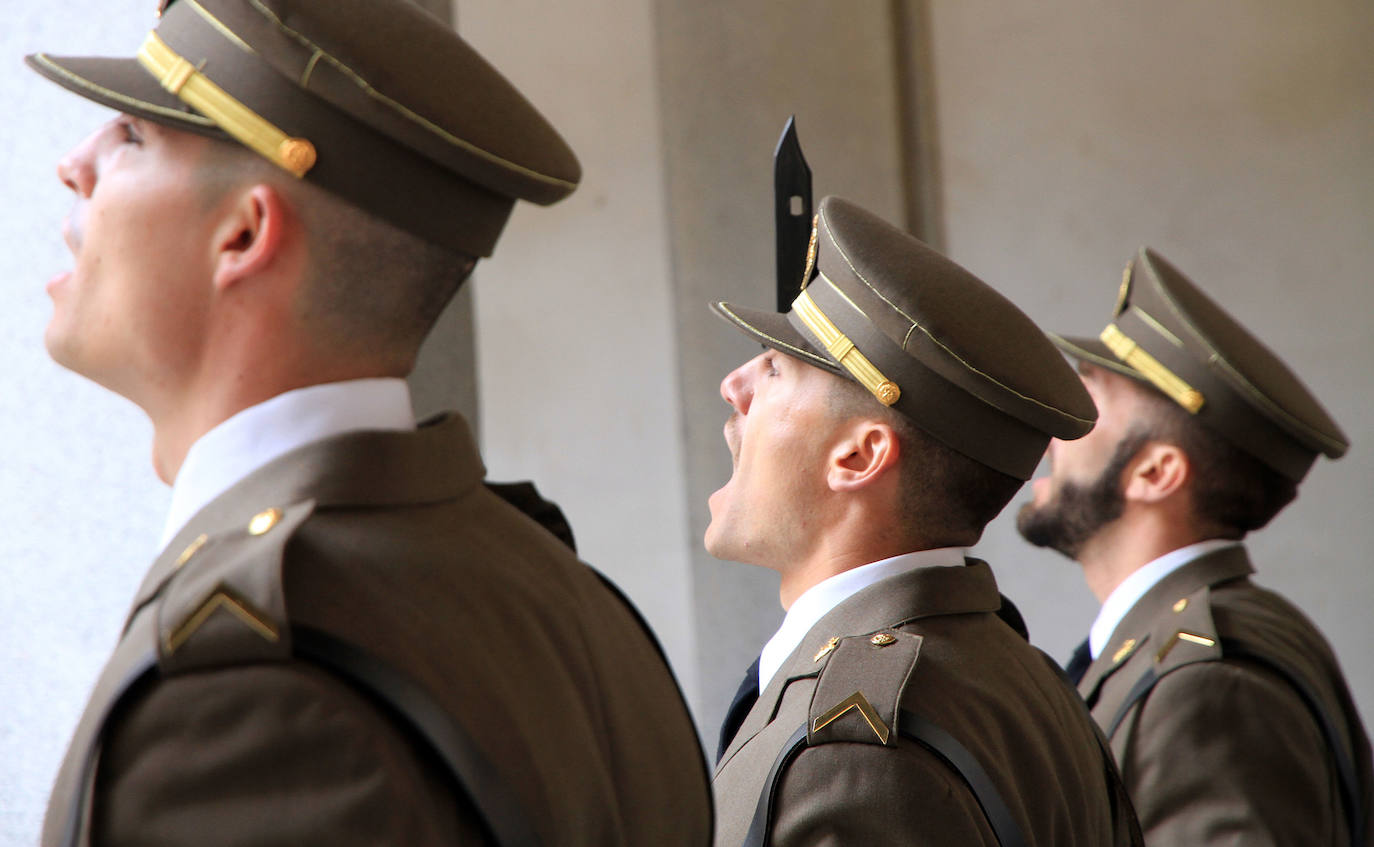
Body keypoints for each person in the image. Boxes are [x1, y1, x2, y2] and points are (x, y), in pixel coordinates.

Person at [26, 0, 712, 844]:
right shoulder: (569, 598)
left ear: (243, 233)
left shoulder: (243, 687)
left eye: (132, 135)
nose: (74, 162)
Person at [707, 195, 1141, 846]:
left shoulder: (854, 752)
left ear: (858, 455)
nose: (733, 385)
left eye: (774, 367)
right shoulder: (1017, 673)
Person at [1017, 247, 1373, 845]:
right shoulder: (1190, 644)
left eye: (1089, 403)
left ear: (1156, 473)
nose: (1056, 434)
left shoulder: (1208, 683)